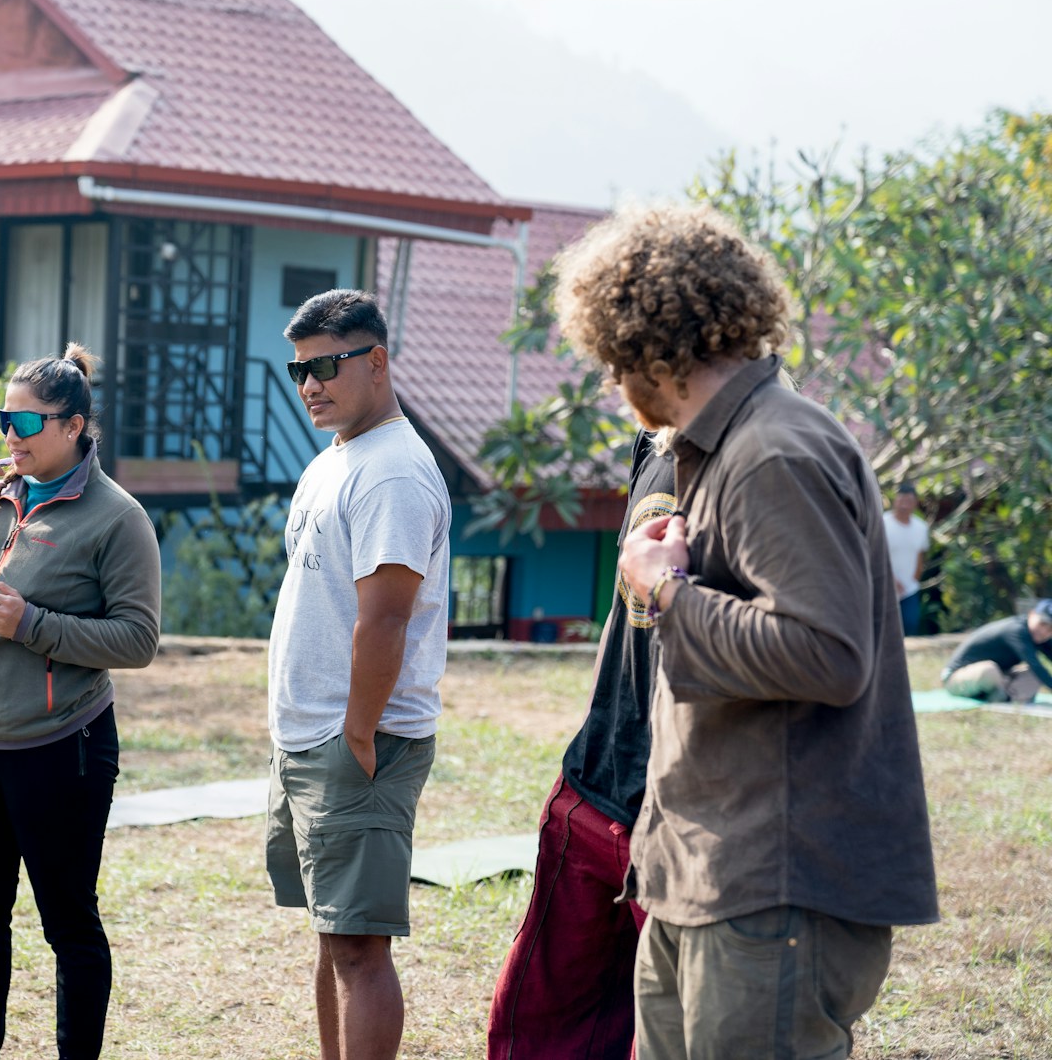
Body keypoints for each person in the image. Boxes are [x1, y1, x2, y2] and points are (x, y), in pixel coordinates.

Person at [553, 206, 938, 1060]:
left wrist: (668, 592)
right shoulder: (718, 452)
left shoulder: (774, 453)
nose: (616, 391)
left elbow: (828, 653)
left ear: (646, 351)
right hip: (702, 868)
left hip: (772, 884)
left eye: (612, 367)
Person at [0, 344, 161, 1060]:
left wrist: (34, 626)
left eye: (27, 419)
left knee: (68, 924)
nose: (10, 432)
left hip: (61, 748)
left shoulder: (118, 518)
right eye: (3, 415)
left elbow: (138, 639)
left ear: (76, 424)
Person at [265, 289, 451, 1060]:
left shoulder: (395, 473)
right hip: (309, 739)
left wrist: (358, 731)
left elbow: (386, 618)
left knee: (358, 949)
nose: (309, 384)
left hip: (357, 744)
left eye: (327, 365)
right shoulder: (338, 457)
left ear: (376, 361)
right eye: (300, 368)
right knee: (331, 935)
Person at [486, 427, 674, 1060]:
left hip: (681, 808)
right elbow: (625, 617)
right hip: (596, 778)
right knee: (538, 1023)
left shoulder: (761, 456)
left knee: (678, 1029)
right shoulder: (654, 442)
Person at [940, 599, 1052, 703]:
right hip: (956, 678)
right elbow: (1035, 665)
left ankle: (1003, 696)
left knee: (1033, 676)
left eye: (1050, 629)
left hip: (999, 678)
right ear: (1031, 614)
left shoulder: (1039, 637)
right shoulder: (1016, 630)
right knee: (989, 670)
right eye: (1042, 624)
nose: (1044, 631)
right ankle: (1005, 696)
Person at [883, 482, 929, 635]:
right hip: (885, 586)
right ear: (894, 501)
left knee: (910, 625)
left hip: (910, 588)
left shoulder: (921, 527)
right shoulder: (883, 523)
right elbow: (876, 555)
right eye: (901, 500)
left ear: (915, 503)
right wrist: (892, 580)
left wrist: (915, 578)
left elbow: (920, 554)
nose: (904, 505)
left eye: (909, 501)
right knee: (886, 629)